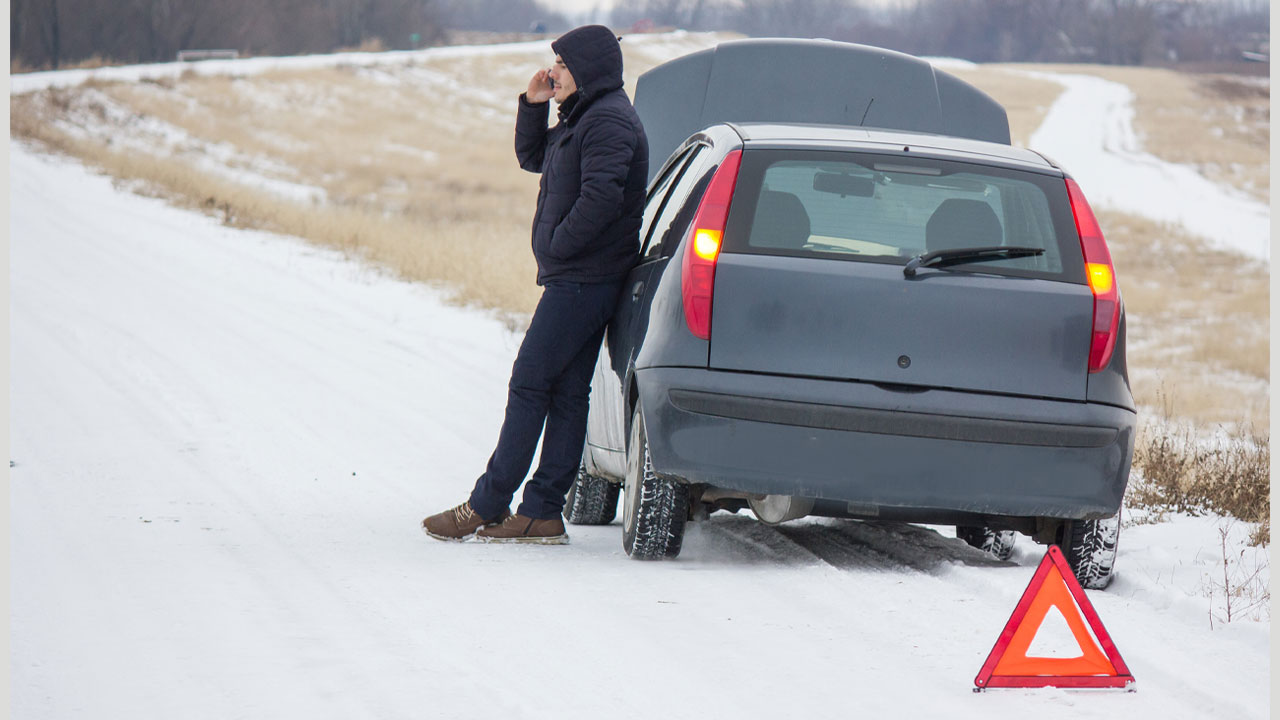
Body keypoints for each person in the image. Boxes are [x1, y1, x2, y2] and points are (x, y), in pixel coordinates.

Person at [422, 25, 648, 544]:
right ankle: (542, 512)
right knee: (567, 393)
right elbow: (532, 157)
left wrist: (557, 246)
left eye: (562, 65)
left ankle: (486, 504)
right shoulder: (586, 118)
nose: (554, 72)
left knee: (529, 383)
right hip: (583, 277)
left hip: (584, 280)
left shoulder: (609, 122)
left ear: (588, 69)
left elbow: (601, 200)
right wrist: (532, 103)